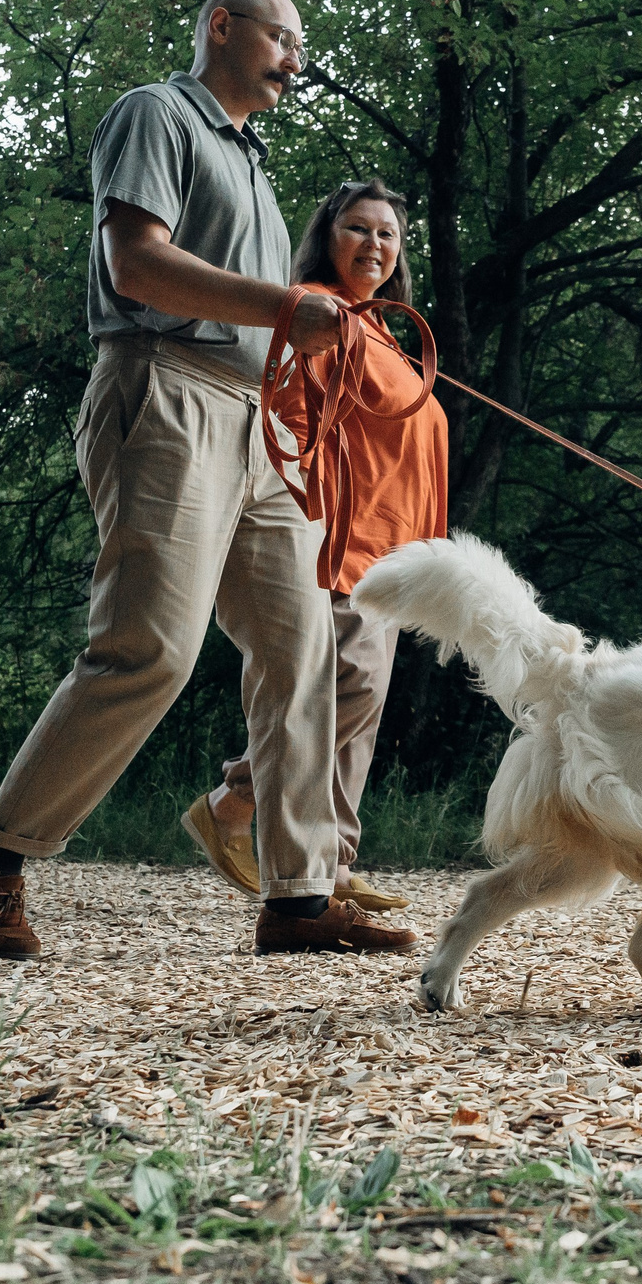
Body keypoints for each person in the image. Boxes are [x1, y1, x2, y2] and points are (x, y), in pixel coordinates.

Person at [0, 0, 418, 961]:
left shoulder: (252, 163)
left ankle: (298, 897)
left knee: (305, 645)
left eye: (300, 44)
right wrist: (285, 308)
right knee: (149, 647)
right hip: (163, 393)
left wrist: (306, 344)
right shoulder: (157, 114)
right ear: (222, 27)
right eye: (281, 36)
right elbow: (136, 266)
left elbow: (265, 315)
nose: (294, 58)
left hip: (256, 425)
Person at [181, 181, 447, 913]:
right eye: (358, 229)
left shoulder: (385, 329)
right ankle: (245, 804)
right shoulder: (314, 316)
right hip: (339, 536)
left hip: (395, 552)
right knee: (346, 689)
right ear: (327, 237)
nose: (374, 244)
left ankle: (324, 855)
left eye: (387, 235)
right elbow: (285, 420)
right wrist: (311, 513)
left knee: (361, 700)